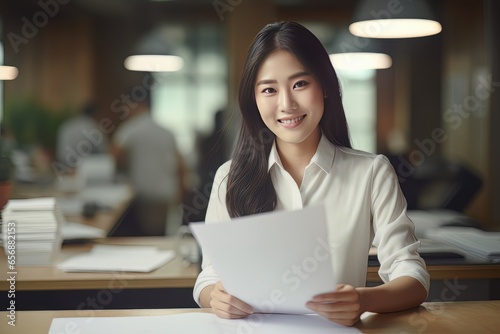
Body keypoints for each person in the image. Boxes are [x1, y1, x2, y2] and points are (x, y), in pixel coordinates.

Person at [193, 21, 430, 327]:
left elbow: (411, 273)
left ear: (326, 87)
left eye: (300, 84)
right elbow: (208, 276)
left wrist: (363, 300)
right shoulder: (230, 177)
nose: (286, 104)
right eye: (268, 89)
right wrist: (216, 296)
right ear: (253, 99)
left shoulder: (371, 172)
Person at [111, 88, 186, 236]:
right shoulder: (166, 131)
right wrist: (181, 196)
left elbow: (114, 156)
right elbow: (181, 166)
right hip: (166, 194)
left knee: (145, 237)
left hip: (144, 195)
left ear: (135, 105)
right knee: (161, 236)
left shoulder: (129, 129)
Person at [56, 102, 109, 169]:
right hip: (84, 171)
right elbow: (105, 154)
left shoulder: (66, 125)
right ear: (96, 114)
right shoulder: (93, 127)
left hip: (63, 168)